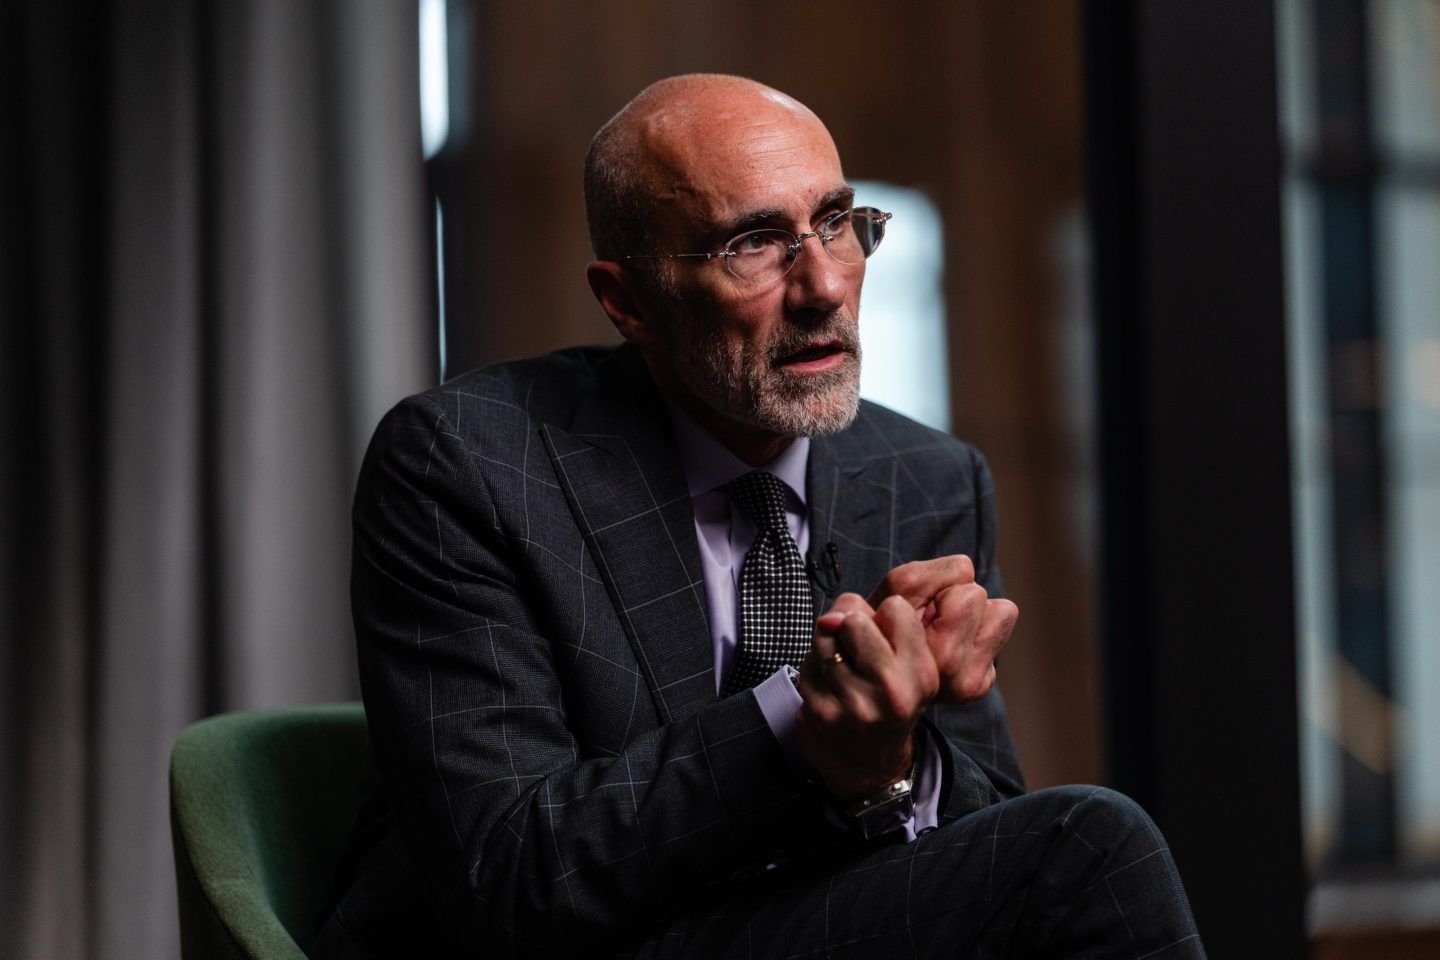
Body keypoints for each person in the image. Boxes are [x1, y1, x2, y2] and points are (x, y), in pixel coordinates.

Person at [313, 74, 1204, 959]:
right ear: (628, 302)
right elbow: (506, 877)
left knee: (1074, 856)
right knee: (1094, 844)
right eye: (754, 244)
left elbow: (990, 848)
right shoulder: (467, 461)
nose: (824, 285)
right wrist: (798, 728)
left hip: (805, 926)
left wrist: (895, 763)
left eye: (837, 222)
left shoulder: (927, 479)